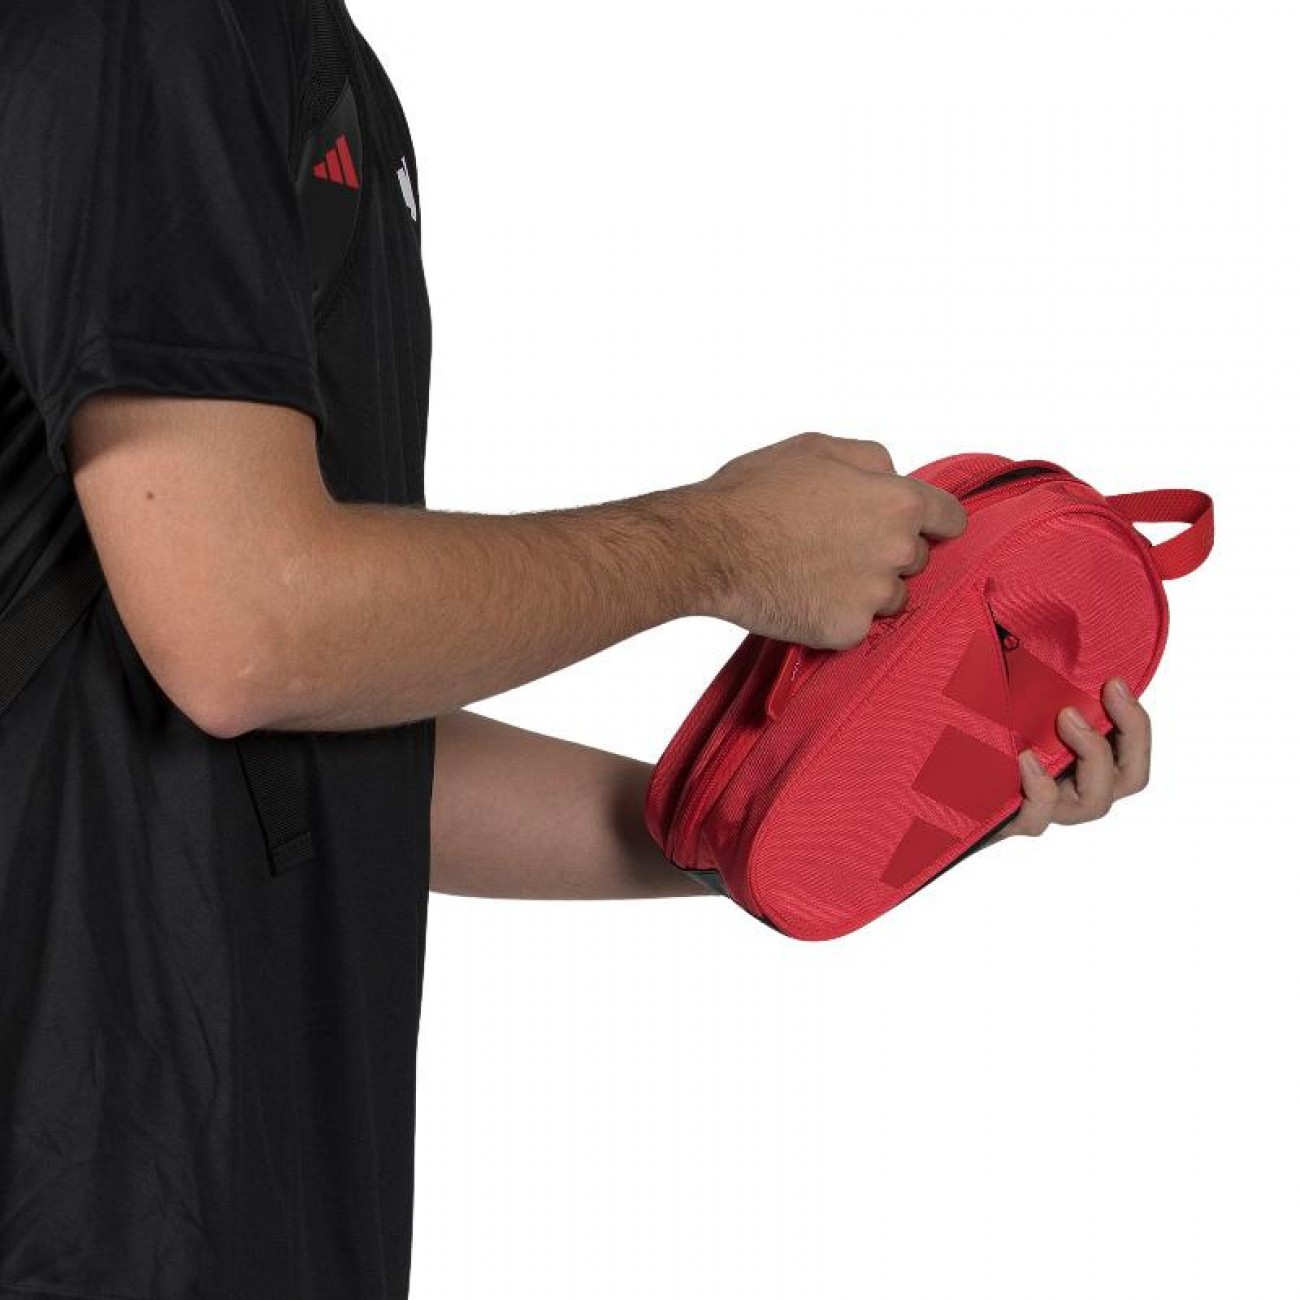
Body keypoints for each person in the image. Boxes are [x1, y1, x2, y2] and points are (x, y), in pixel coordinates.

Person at [0, 0, 1152, 1296]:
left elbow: (311, 745)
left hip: (225, 1195)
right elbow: (249, 633)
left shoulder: (292, 58)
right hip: (80, 1194)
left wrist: (799, 811)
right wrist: (718, 545)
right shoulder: (158, 27)